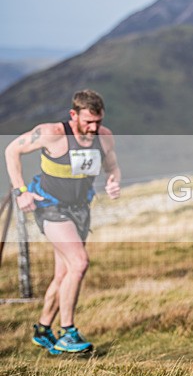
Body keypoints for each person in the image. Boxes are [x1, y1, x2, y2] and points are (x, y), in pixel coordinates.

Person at [5, 89, 121, 354]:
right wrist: (21, 191)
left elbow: (112, 166)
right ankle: (67, 332)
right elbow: (12, 150)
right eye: (88, 121)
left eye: (98, 121)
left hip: (80, 210)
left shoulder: (104, 137)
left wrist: (114, 182)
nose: (93, 128)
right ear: (73, 115)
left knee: (64, 273)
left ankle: (43, 329)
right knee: (79, 262)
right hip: (51, 207)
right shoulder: (52, 133)